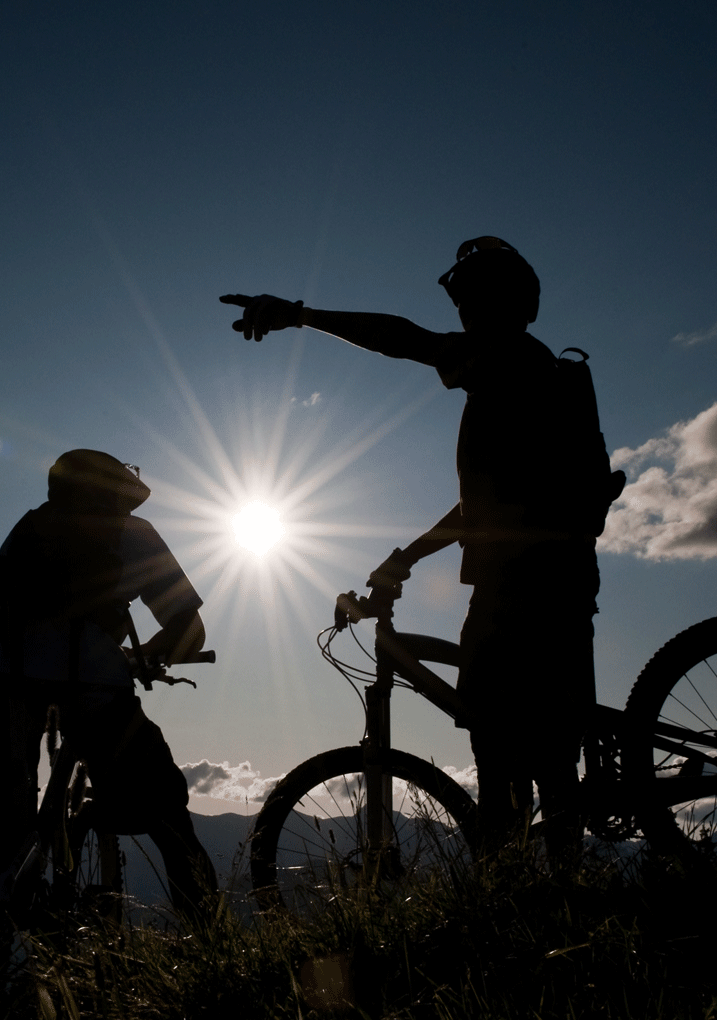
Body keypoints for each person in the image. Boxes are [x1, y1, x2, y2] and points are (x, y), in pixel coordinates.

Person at [222, 237, 621, 859]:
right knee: (534, 750)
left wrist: (301, 315)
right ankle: (543, 890)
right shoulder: (527, 373)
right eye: (460, 300)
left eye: (471, 298)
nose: (462, 312)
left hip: (521, 587)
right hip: (552, 579)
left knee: (509, 749)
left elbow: (402, 337)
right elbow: (486, 504)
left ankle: (522, 895)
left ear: (503, 303)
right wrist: (409, 555)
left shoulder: (507, 360)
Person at [0, 448, 219, 918]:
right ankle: (210, 946)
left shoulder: (32, 525)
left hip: (5, 678)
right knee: (167, 809)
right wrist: (143, 657)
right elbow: (188, 628)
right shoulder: (133, 533)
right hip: (93, 684)